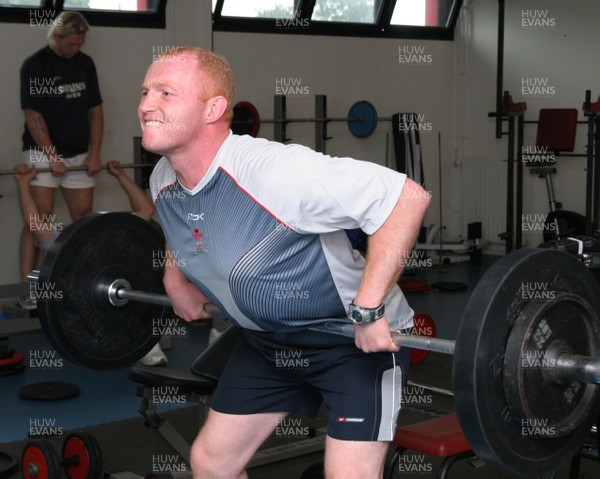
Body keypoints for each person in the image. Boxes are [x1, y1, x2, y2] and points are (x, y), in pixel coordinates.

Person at [141, 46, 430, 479]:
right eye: (145, 92)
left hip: (350, 343)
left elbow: (405, 197)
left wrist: (369, 307)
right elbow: (181, 223)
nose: (146, 105)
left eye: (166, 93)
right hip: (267, 343)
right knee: (211, 464)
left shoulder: (275, 172)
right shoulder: (163, 178)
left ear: (213, 109)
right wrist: (174, 274)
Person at [14, 161, 167, 366]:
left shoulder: (110, 230)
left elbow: (146, 209)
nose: (69, 224)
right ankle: (137, 345)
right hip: (87, 306)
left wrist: (121, 175)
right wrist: (23, 184)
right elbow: (32, 221)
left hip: (124, 293)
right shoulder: (62, 243)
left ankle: (147, 345)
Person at [18, 11, 104, 308]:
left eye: (80, 44)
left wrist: (94, 153)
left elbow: (95, 111)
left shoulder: (85, 64)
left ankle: (83, 283)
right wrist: (52, 157)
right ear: (56, 37)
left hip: (79, 153)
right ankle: (31, 290)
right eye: (70, 44)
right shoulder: (36, 65)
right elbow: (33, 115)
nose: (75, 50)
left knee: (84, 218)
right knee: (38, 219)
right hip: (42, 152)